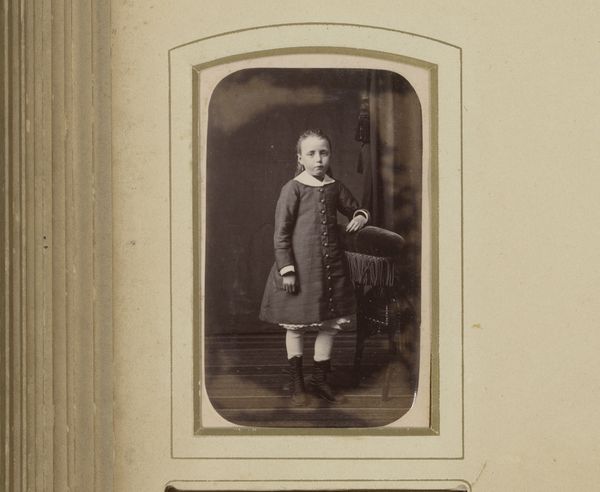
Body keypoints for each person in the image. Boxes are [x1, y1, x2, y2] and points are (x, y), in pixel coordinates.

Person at [259, 129, 369, 406]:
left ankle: (320, 380)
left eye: (324, 153)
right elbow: (281, 234)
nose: (318, 159)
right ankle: (297, 382)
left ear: (330, 156)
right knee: (296, 327)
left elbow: (355, 208)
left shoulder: (335, 186)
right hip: (300, 269)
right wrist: (287, 269)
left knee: (329, 325)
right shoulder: (292, 189)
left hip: (331, 269)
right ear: (300, 158)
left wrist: (359, 216)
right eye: (311, 154)